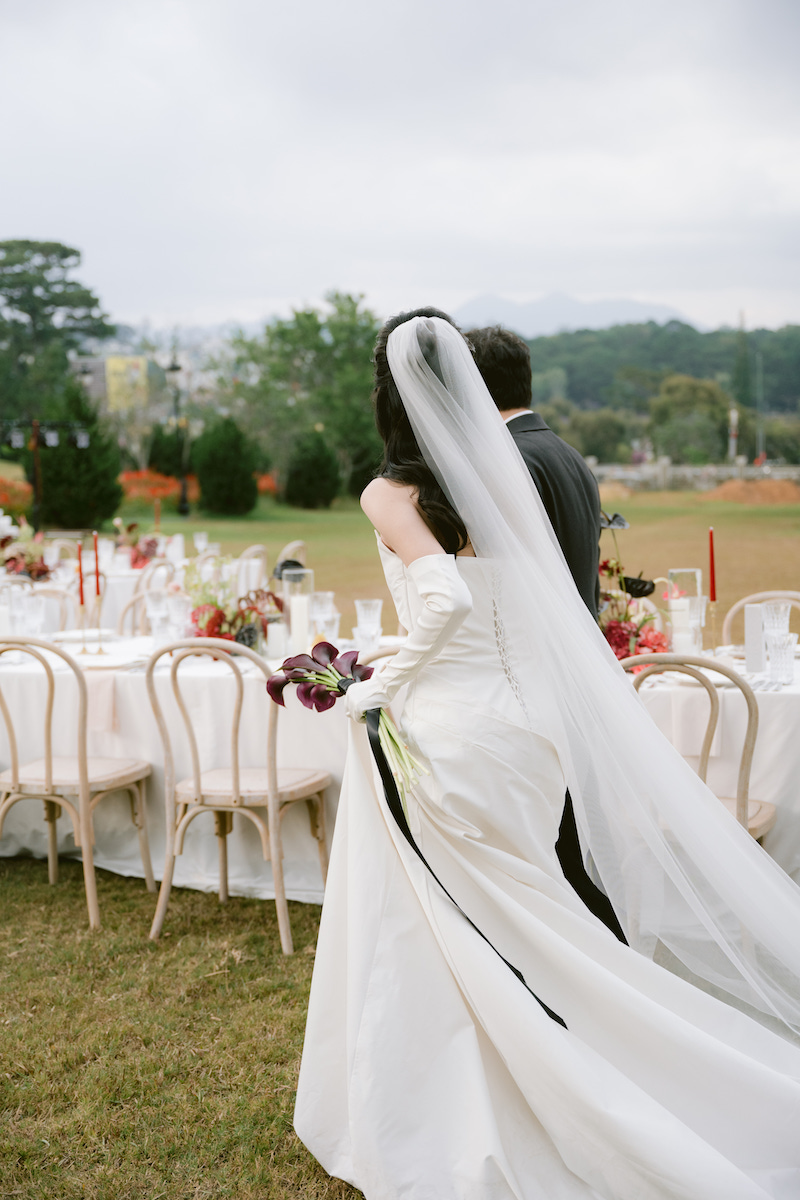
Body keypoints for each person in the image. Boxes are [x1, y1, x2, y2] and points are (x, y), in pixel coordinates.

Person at [294, 309, 800, 1200]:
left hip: (450, 727)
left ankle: (471, 1098)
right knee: (528, 914)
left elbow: (444, 603)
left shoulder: (389, 491)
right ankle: (544, 1063)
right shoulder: (492, 479)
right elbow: (518, 605)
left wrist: (376, 682)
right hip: (523, 726)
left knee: (452, 925)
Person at [467, 325, 624, 943]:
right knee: (573, 840)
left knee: (556, 845)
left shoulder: (511, 464)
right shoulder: (561, 451)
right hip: (577, 668)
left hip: (539, 676)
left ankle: (591, 970)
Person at [467, 325, 601, 618]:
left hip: (537, 648)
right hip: (583, 644)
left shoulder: (505, 461)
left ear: (472, 387)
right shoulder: (571, 456)